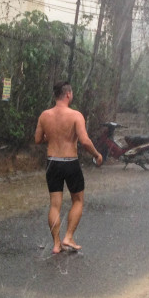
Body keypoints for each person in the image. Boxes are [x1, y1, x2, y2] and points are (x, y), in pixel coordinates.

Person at [34, 81, 103, 255]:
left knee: (55, 205)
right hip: (70, 162)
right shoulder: (75, 115)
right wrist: (97, 155)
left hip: (52, 163)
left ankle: (56, 244)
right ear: (68, 94)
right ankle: (68, 237)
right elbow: (85, 141)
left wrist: (53, 137)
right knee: (78, 200)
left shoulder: (44, 115)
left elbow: (38, 139)